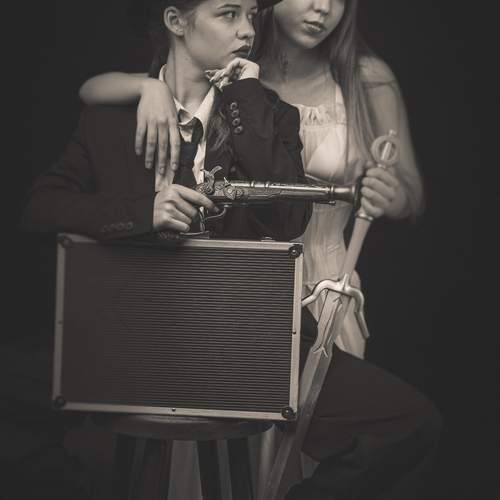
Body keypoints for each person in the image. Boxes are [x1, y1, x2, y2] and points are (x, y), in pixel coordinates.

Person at [76, 1, 441, 500]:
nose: (322, 8)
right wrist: (149, 88)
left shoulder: (364, 76)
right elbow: (93, 88)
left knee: (325, 441)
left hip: (324, 285)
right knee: (214, 448)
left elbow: (410, 194)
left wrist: (386, 193)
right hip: (234, 289)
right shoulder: (229, 56)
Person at [15, 0, 310, 498]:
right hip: (127, 342)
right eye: (229, 14)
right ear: (176, 22)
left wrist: (244, 94)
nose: (248, 30)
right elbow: (40, 209)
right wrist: (142, 213)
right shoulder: (110, 117)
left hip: (236, 346)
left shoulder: (267, 113)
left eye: (253, 16)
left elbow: (288, 220)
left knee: (401, 424)